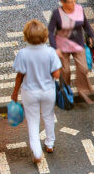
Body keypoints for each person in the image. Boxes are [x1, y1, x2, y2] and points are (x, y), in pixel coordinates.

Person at [10, 20, 61, 163]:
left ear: (26, 36)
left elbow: (19, 76)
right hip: (48, 91)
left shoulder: (22, 53)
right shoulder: (50, 52)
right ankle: (49, 144)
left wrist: (14, 94)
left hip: (29, 92)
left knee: (33, 121)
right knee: (49, 116)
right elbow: (56, 75)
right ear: (45, 35)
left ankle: (37, 153)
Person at [48, 0, 94, 104]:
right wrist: (55, 48)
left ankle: (82, 90)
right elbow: (50, 31)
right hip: (62, 47)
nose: (73, 4)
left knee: (83, 68)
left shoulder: (79, 9)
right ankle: (66, 92)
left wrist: (90, 35)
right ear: (62, 2)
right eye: (70, 2)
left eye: (74, 0)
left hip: (78, 44)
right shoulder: (56, 14)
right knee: (65, 71)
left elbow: (85, 24)